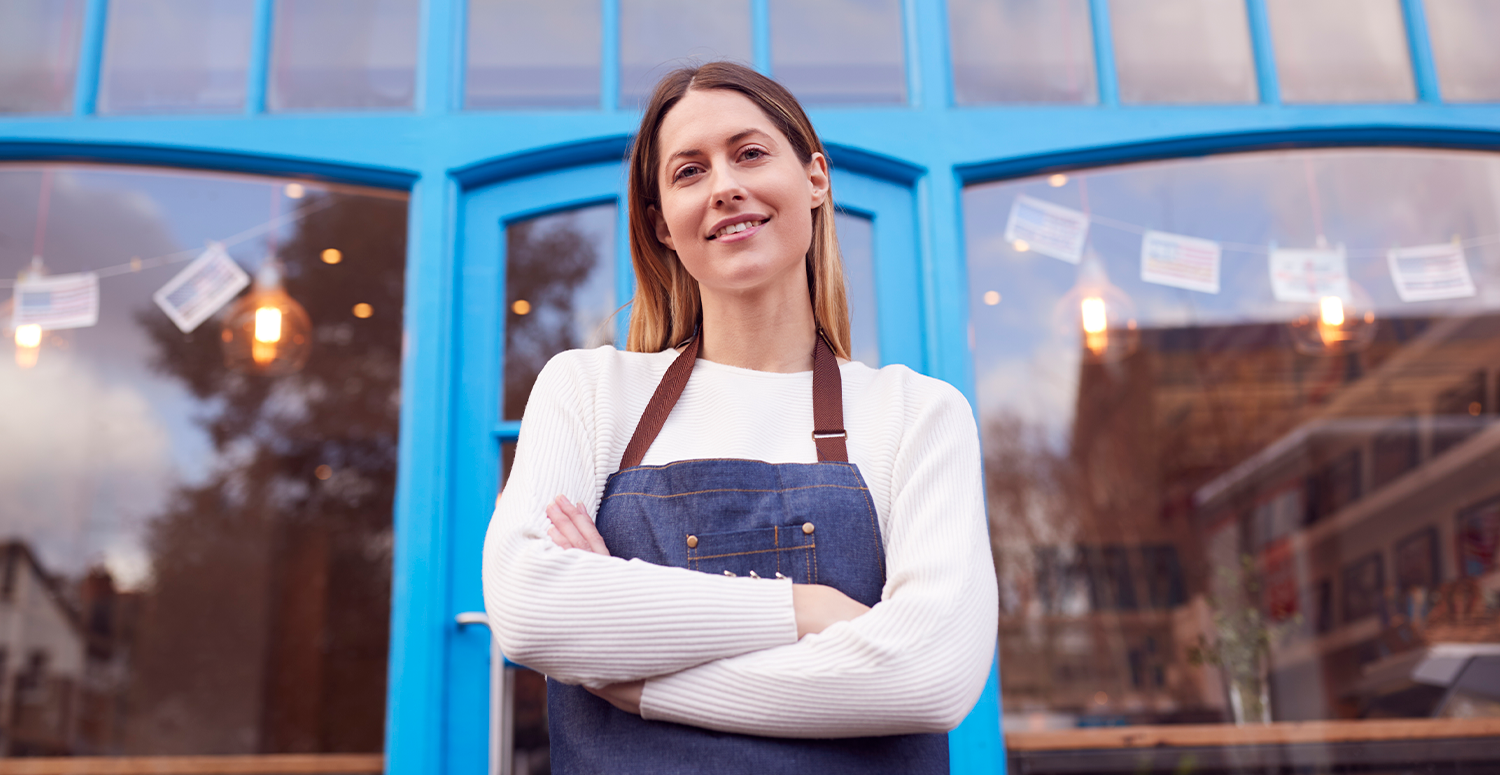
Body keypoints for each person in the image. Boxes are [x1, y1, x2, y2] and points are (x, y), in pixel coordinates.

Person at [481, 61, 997, 774]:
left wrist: (639, 682)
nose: (723, 186)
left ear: (815, 178)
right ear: (662, 224)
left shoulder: (917, 413)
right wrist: (810, 611)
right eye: (689, 171)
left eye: (750, 153)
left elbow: (930, 674)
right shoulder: (590, 390)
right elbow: (531, 607)